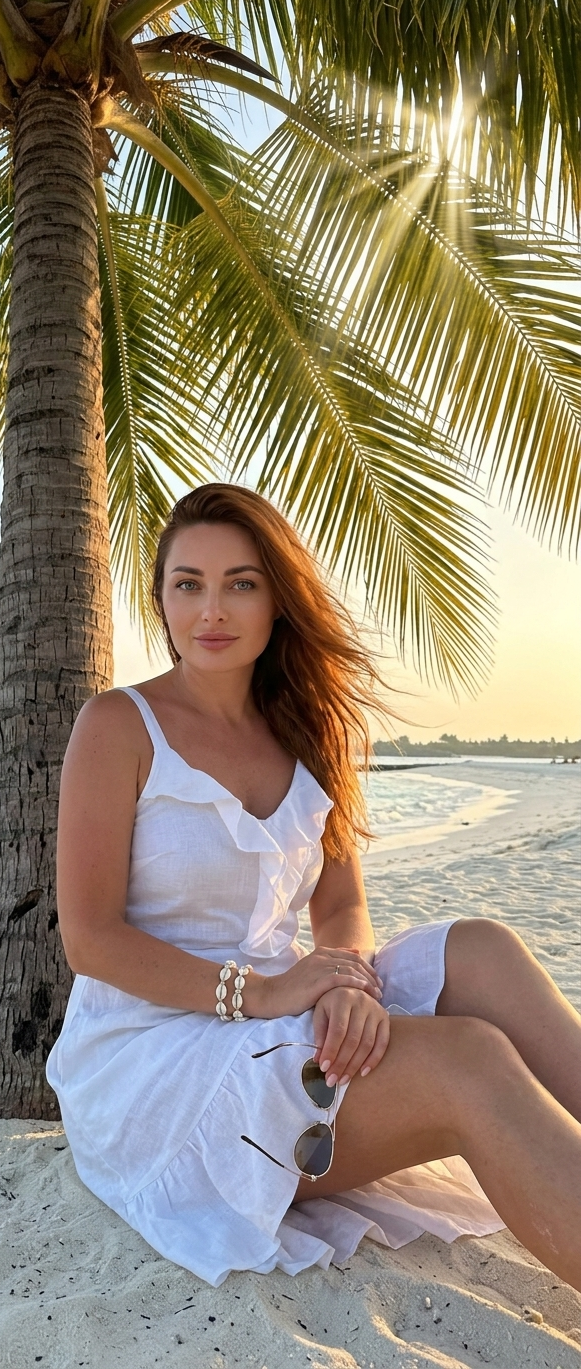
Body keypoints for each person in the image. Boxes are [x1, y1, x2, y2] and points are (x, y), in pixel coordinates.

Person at [46, 484, 581, 1291]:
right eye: (188, 583)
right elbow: (89, 940)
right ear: (159, 598)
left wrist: (346, 981)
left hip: (285, 999)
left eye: (242, 583)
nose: (211, 610)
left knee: (484, 951)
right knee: (469, 1060)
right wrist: (261, 993)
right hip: (155, 1058)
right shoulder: (120, 726)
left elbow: (340, 907)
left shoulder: (309, 731)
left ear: (277, 600)